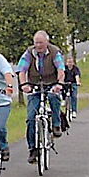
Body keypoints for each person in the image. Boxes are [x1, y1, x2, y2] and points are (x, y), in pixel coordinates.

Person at [17, 30, 66, 164]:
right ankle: (33, 149)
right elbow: (21, 70)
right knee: (30, 118)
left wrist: (59, 84)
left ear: (47, 42)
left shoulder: (54, 52)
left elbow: (61, 68)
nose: (38, 45)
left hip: (51, 83)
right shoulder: (29, 53)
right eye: (36, 43)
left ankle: (56, 124)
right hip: (34, 85)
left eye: (41, 43)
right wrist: (23, 85)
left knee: (54, 97)